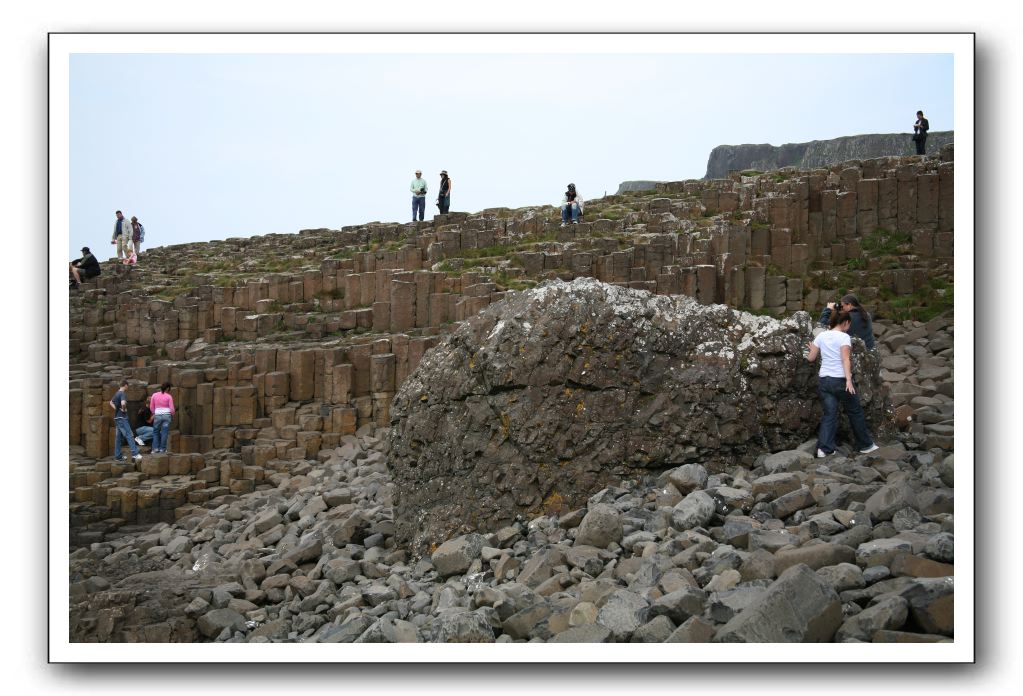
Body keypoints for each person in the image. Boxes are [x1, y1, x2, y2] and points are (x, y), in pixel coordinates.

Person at [806, 310, 880, 458]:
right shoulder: (844, 337)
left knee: (829, 414)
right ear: (845, 323)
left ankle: (824, 449)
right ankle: (865, 445)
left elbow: (810, 358)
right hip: (839, 380)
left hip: (824, 380)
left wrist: (812, 348)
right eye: (849, 324)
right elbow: (845, 359)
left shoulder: (821, 336)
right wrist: (848, 380)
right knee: (855, 411)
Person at [109, 380, 142, 462]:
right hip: (122, 418)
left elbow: (110, 402)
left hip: (117, 418)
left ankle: (118, 456)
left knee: (118, 438)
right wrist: (123, 410)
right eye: (128, 385)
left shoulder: (117, 393)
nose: (128, 387)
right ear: (125, 385)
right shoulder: (122, 393)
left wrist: (116, 409)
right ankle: (135, 454)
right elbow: (123, 403)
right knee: (129, 434)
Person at [150, 382, 175, 453]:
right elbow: (172, 408)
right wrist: (172, 414)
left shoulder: (154, 395)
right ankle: (162, 449)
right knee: (164, 432)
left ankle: (155, 448)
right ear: (168, 389)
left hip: (157, 415)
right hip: (167, 416)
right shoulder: (169, 396)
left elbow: (151, 406)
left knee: (156, 432)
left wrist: (154, 413)